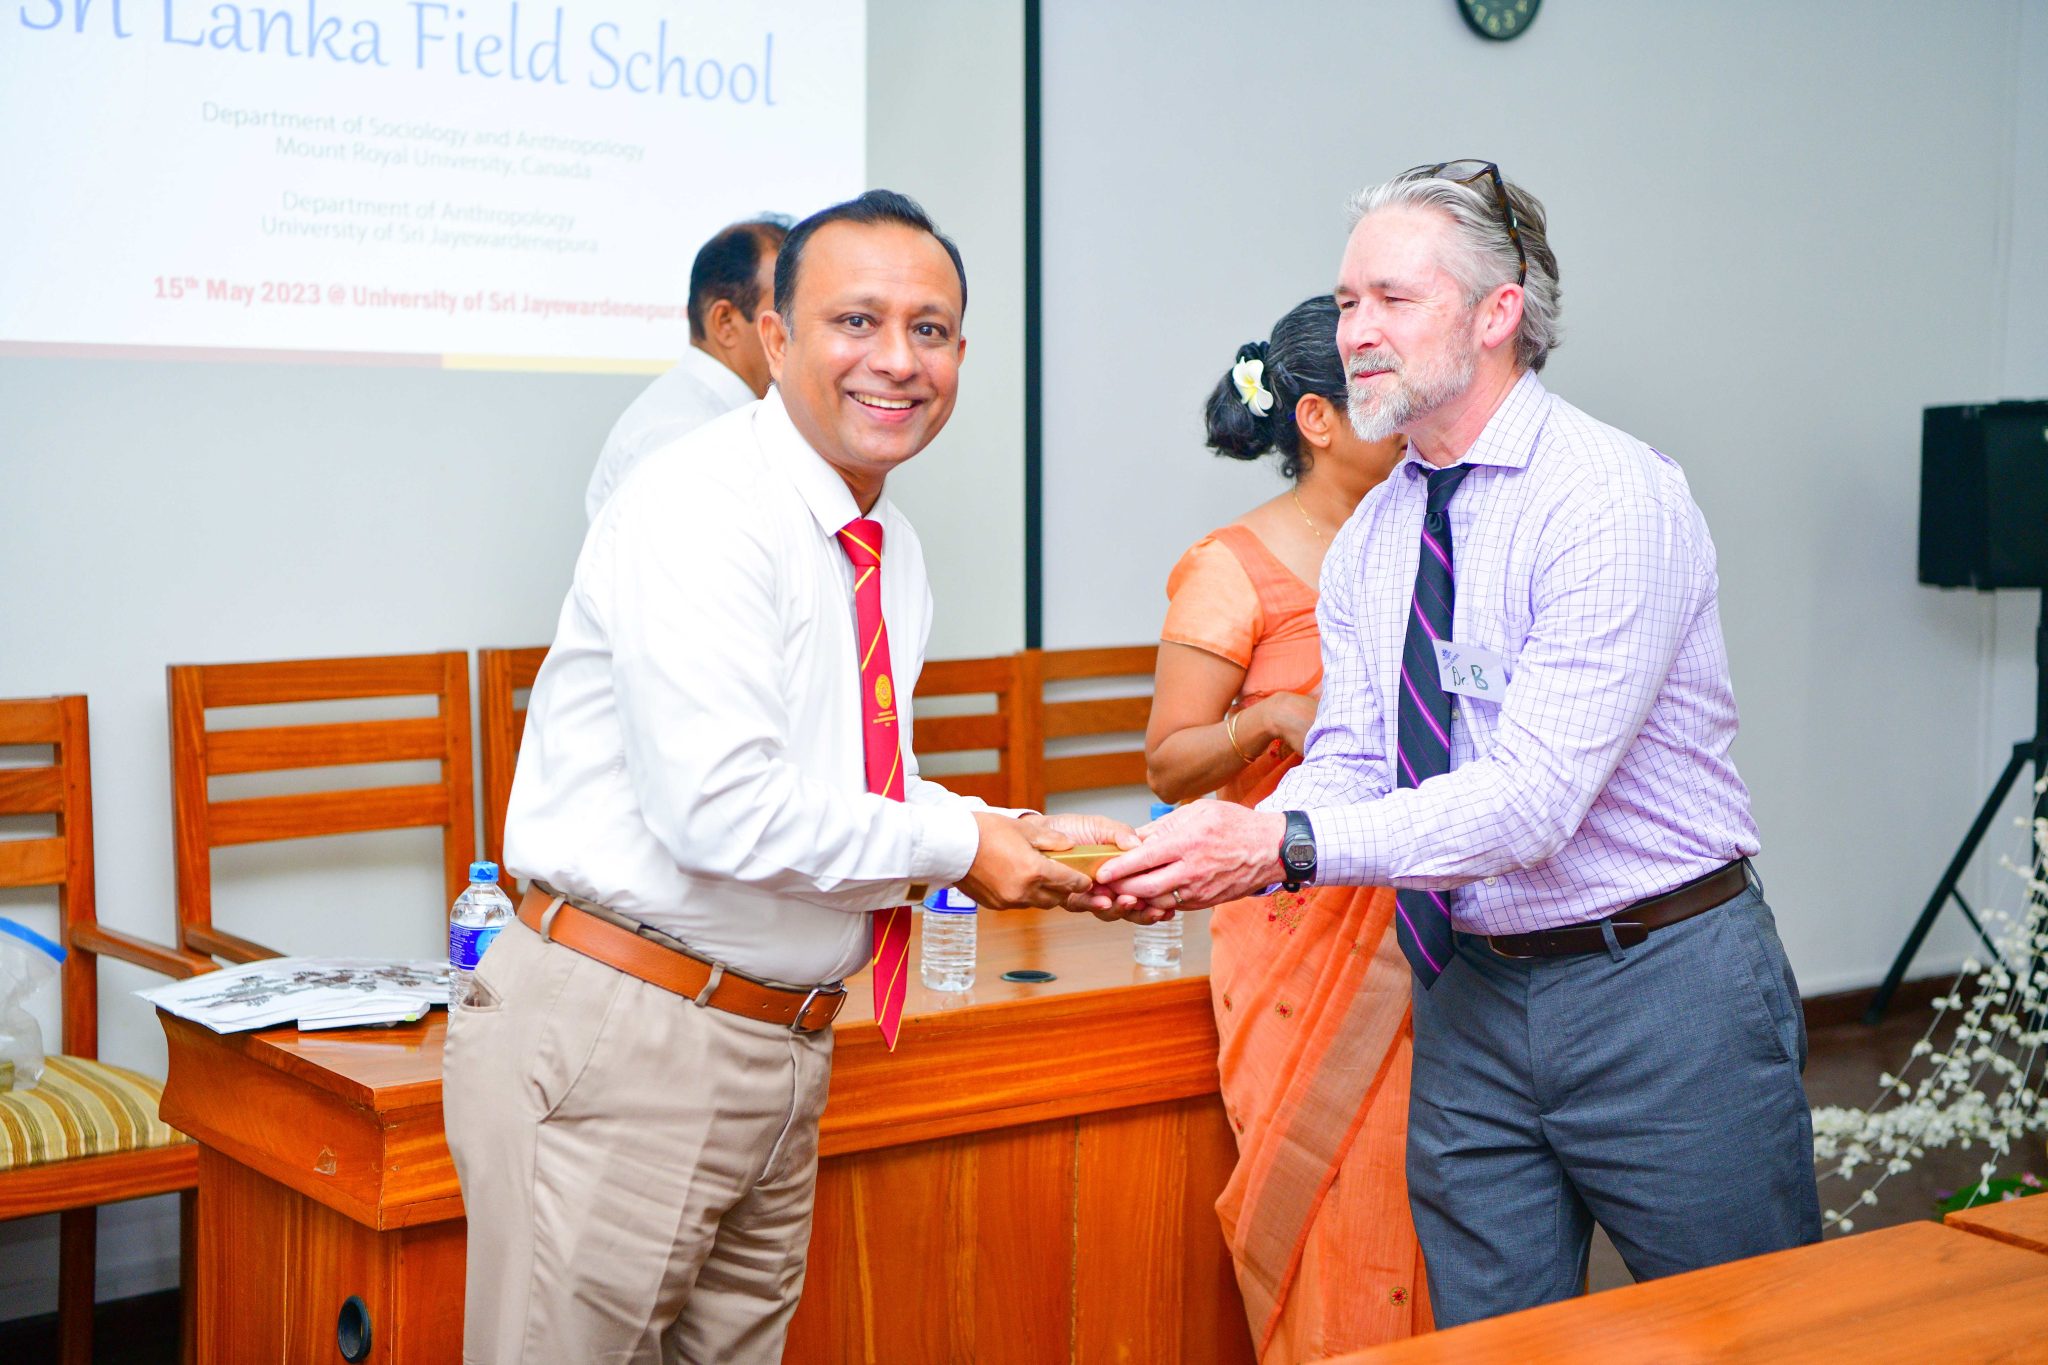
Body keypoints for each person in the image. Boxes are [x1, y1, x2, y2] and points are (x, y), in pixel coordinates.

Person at [1096, 162, 1820, 1328]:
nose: (1355, 332)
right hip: (1470, 988)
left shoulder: (1605, 497)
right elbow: (1349, 758)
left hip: (1657, 987)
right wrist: (1225, 839)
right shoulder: (1377, 534)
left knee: (1746, 1331)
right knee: (1484, 1335)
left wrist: (1280, 844)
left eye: (1392, 299)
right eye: (1346, 302)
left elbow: (1531, 803)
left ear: (1496, 314)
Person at [447, 190, 1132, 1364]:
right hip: (629, 1035)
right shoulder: (701, 505)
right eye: (854, 321)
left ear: (960, 357)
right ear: (771, 338)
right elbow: (721, 810)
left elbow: (834, 781)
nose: (896, 360)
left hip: (781, 1042)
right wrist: (960, 848)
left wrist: (1001, 824)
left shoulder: (885, 544)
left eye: (928, 330)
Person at [1145, 295, 1420, 1359]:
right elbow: (1168, 761)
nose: (1415, 418)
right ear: (1316, 419)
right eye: (1386, 398)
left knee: (1431, 1203)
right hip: (1295, 931)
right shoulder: (1232, 566)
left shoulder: (1430, 536)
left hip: (1427, 922)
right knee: (1332, 1204)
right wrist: (1268, 720)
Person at [584, 216, 790, 522]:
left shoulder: (716, 420)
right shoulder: (680, 433)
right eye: (785, 312)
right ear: (725, 322)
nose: (800, 331)